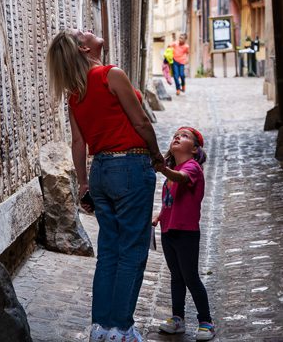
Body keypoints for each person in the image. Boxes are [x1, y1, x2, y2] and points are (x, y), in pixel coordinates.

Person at [47, 29, 165, 342]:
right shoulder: (111, 75)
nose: (88, 30)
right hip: (130, 166)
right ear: (85, 47)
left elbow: (77, 143)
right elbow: (140, 122)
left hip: (100, 171)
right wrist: (156, 156)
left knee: (109, 252)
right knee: (132, 251)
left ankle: (100, 327)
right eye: (82, 32)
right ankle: (122, 328)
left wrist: (84, 183)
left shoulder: (75, 95)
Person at [152, 127, 215, 341]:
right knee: (176, 277)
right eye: (176, 135)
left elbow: (180, 179)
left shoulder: (192, 167)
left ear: (195, 149)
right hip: (168, 231)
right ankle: (177, 319)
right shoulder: (173, 170)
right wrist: (159, 216)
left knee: (190, 277)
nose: (178, 137)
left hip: (186, 233)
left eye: (185, 136)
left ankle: (206, 321)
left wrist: (163, 170)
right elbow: (171, 201)